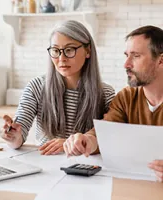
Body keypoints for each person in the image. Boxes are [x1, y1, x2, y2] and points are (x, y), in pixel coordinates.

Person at [0, 20, 115, 155]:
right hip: (46, 165)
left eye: (69, 50)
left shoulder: (106, 93)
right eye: (55, 50)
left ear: (88, 50)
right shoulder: (36, 87)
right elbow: (18, 138)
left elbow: (110, 140)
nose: (61, 58)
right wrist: (12, 136)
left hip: (86, 168)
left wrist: (69, 144)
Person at [63, 25, 163, 181]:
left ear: (161, 60)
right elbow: (105, 131)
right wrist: (87, 141)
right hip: (135, 186)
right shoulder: (126, 97)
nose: (126, 64)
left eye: (136, 56)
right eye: (126, 56)